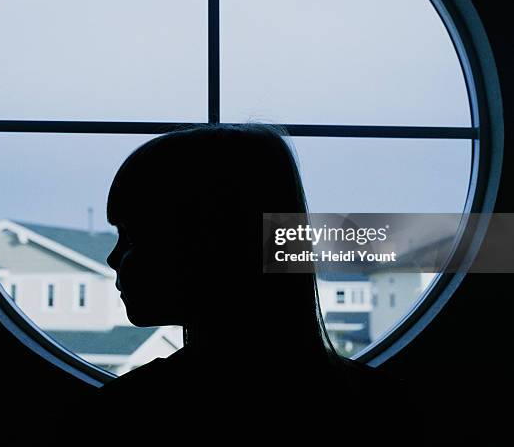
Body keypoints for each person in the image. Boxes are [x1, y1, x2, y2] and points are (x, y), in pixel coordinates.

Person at [42, 123, 429, 445]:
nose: (113, 258)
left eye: (130, 235)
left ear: (203, 241)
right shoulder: (378, 409)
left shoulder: (121, 421)